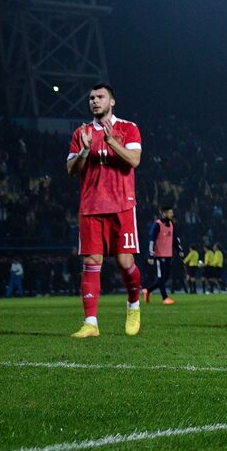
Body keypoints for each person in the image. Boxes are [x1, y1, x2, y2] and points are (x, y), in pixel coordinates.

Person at [65, 84, 144, 337]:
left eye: (100, 97)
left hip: (122, 204)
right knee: (91, 261)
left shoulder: (128, 128)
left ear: (112, 102)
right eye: (91, 98)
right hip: (91, 206)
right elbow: (71, 170)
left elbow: (134, 161)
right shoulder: (81, 132)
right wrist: (86, 150)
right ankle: (91, 323)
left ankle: (133, 304)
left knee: (124, 262)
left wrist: (111, 142)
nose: (95, 101)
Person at [144, 205, 183, 304]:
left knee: (165, 278)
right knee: (161, 277)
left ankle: (147, 290)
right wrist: (150, 255)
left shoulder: (171, 224)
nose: (172, 214)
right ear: (164, 213)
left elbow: (175, 239)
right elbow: (151, 240)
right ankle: (165, 298)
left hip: (169, 255)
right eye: (170, 213)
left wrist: (179, 250)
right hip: (159, 255)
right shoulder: (157, 225)